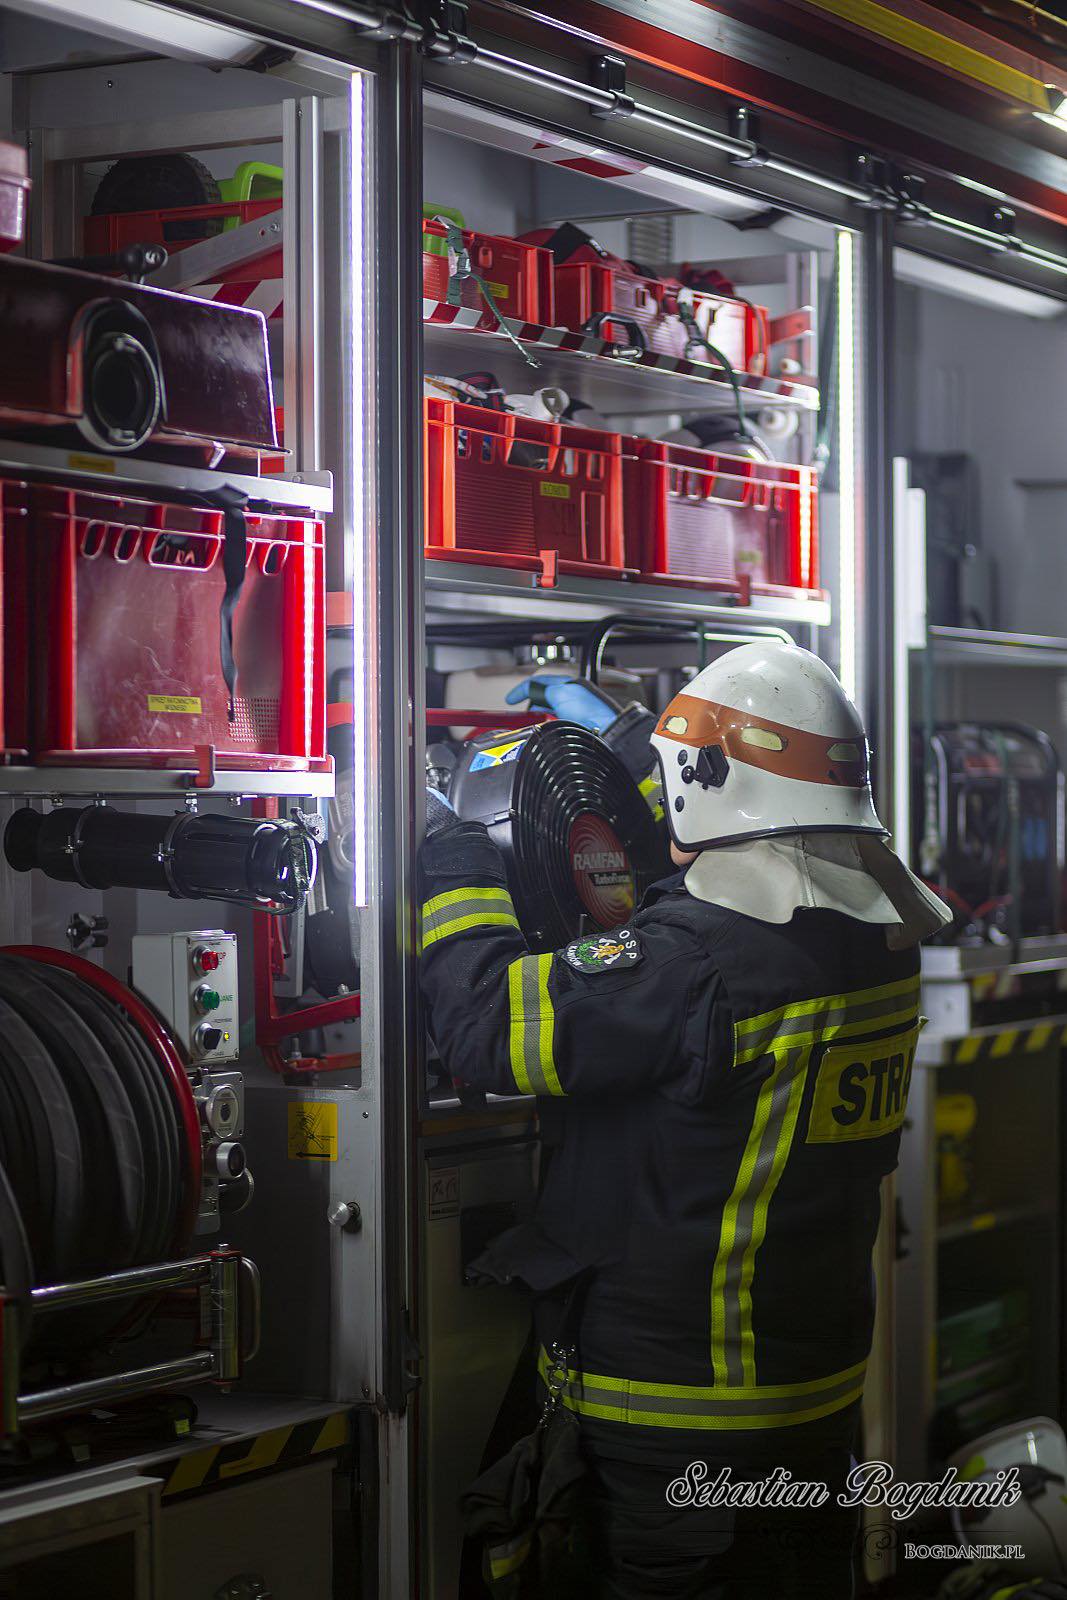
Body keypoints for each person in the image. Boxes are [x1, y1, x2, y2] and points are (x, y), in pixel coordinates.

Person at [419, 640, 950, 1600]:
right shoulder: (878, 937)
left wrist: (448, 858)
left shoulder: (691, 966)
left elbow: (487, 1028)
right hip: (812, 1407)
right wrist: (636, 743)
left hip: (677, 1433)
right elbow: (719, 847)